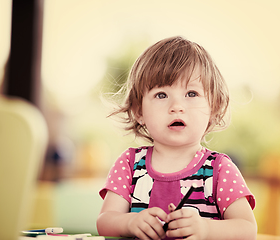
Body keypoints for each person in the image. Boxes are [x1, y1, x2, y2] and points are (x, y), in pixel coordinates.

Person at [96, 36, 257, 240]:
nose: (177, 106)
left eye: (191, 93)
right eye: (161, 95)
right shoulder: (129, 164)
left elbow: (247, 229)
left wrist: (206, 229)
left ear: (213, 107)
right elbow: (105, 221)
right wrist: (129, 222)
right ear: (139, 111)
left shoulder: (219, 169)